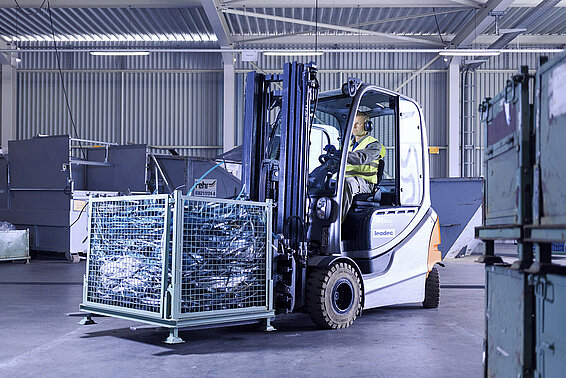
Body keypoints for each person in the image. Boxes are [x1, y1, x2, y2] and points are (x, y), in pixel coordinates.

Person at [342, 111, 385, 222]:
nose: (354, 126)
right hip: (351, 181)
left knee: (348, 183)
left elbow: (362, 157)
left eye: (358, 123)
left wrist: (342, 155)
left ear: (367, 126)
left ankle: (336, 225)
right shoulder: (348, 145)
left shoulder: (374, 145)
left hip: (366, 184)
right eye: (353, 123)